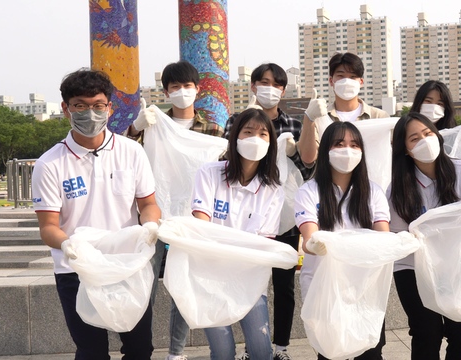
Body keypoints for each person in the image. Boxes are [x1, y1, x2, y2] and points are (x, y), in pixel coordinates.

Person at [31, 69, 162, 359]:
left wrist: (151, 225)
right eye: (80, 105)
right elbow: (48, 226)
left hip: (127, 265)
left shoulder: (131, 152)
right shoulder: (49, 164)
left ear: (109, 108)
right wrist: (68, 245)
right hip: (77, 270)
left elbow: (148, 204)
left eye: (98, 105)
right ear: (66, 108)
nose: (90, 113)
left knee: (140, 348)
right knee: (91, 351)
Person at [126, 60, 224, 360]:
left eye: (187, 86)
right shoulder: (154, 124)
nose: (182, 92)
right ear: (166, 92)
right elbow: (123, 152)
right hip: (155, 215)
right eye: (175, 87)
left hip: (194, 216)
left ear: (198, 89)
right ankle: (137, 350)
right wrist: (135, 127)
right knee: (144, 287)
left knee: (182, 286)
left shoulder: (212, 129)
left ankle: (176, 353)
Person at [387, 112, 461, 360]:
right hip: (413, 267)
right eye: (414, 139)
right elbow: (398, 235)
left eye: (427, 134)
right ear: (405, 149)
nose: (424, 141)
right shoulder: (398, 187)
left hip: (455, 264)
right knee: (427, 331)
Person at [222, 63, 310, 360]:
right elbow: (224, 161)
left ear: (283, 90)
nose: (268, 88)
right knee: (248, 283)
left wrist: (294, 152)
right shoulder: (235, 120)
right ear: (253, 86)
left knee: (284, 286)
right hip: (244, 220)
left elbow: (308, 172)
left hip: (284, 218)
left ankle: (281, 347)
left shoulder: (295, 125)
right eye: (263, 82)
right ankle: (251, 346)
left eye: (275, 83)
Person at [191, 108, 284, 360]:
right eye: (248, 131)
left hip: (250, 278)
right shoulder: (209, 173)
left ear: (270, 143)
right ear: (235, 137)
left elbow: (265, 242)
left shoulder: (273, 189)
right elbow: (202, 225)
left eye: (263, 134)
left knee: (261, 350)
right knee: (222, 352)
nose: (255, 138)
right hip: (211, 277)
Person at [294, 121, 390, 359]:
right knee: (329, 352)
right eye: (339, 144)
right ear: (326, 149)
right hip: (323, 288)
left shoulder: (373, 192)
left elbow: (383, 236)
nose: (347, 150)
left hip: (364, 286)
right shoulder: (308, 191)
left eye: (354, 145)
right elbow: (309, 239)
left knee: (370, 352)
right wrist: (316, 244)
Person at [297, 52, 389, 166]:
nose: (347, 81)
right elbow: (308, 159)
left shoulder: (379, 117)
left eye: (352, 77)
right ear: (331, 81)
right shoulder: (319, 118)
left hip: (369, 182)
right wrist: (309, 118)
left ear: (361, 82)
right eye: (340, 76)